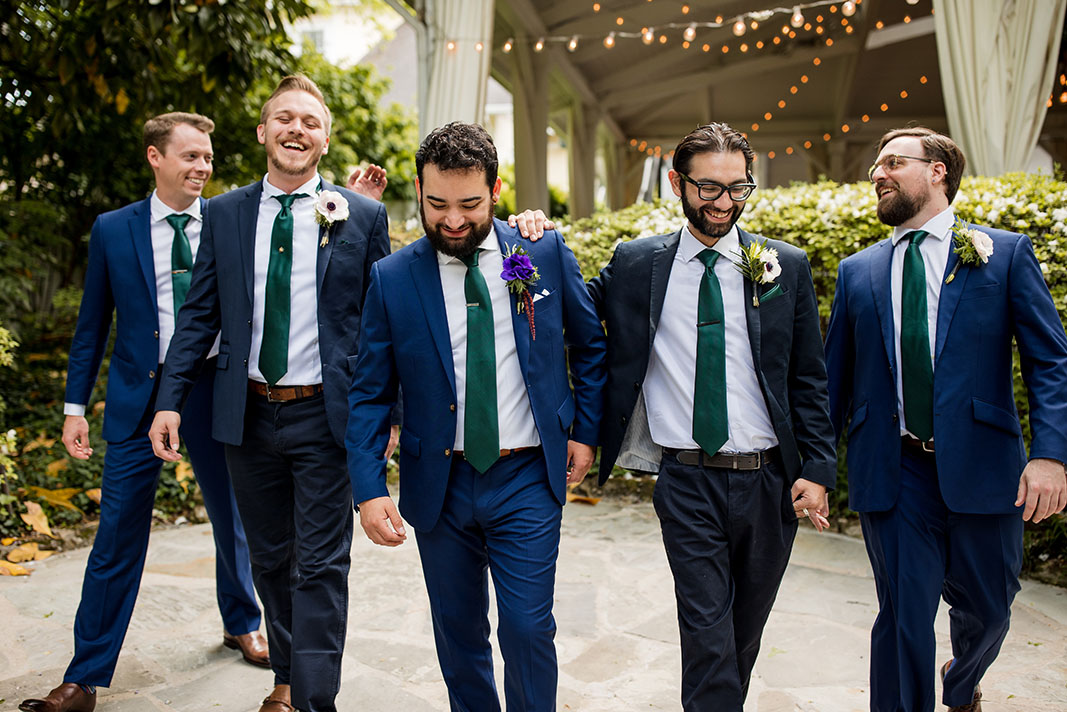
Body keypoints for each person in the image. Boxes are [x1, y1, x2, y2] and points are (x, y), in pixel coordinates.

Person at [147, 76, 391, 712]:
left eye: (310, 121)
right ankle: (287, 673)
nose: (296, 130)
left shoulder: (360, 216)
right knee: (271, 560)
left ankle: (310, 698)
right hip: (246, 414)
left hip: (326, 416)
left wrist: (386, 416)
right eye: (284, 118)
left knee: (321, 564)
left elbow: (380, 326)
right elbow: (198, 316)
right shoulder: (224, 214)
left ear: (326, 138)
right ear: (262, 132)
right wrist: (170, 399)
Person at [345, 121, 606, 712]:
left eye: (470, 203)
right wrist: (367, 487)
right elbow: (368, 391)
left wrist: (584, 433)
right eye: (437, 204)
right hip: (440, 483)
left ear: (495, 189)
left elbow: (591, 345)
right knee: (458, 634)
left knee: (528, 628)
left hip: (526, 478)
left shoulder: (541, 251)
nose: (453, 220)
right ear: (418, 189)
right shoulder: (391, 279)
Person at [19, 112, 266, 712]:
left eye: (208, 157)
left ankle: (242, 621)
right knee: (116, 534)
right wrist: (75, 405)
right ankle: (83, 676)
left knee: (233, 517)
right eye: (190, 157)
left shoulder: (232, 221)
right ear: (156, 158)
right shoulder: (113, 229)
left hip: (213, 388)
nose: (203, 168)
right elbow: (91, 326)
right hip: (137, 398)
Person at [587, 123, 836, 711]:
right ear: (677, 183)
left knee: (740, 638)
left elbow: (808, 377)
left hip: (770, 479)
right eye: (708, 188)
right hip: (687, 480)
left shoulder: (785, 266)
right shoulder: (636, 263)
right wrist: (529, 239)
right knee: (706, 634)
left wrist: (818, 467)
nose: (723, 203)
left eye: (738, 188)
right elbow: (566, 306)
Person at [824, 127, 1067, 712]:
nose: (877, 174)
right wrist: (813, 466)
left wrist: (1051, 454)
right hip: (894, 467)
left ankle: (962, 682)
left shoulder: (1003, 253)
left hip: (986, 466)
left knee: (990, 608)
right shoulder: (858, 271)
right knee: (904, 616)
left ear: (937, 172)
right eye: (875, 166)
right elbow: (832, 380)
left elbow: (1050, 360)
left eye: (893, 163)